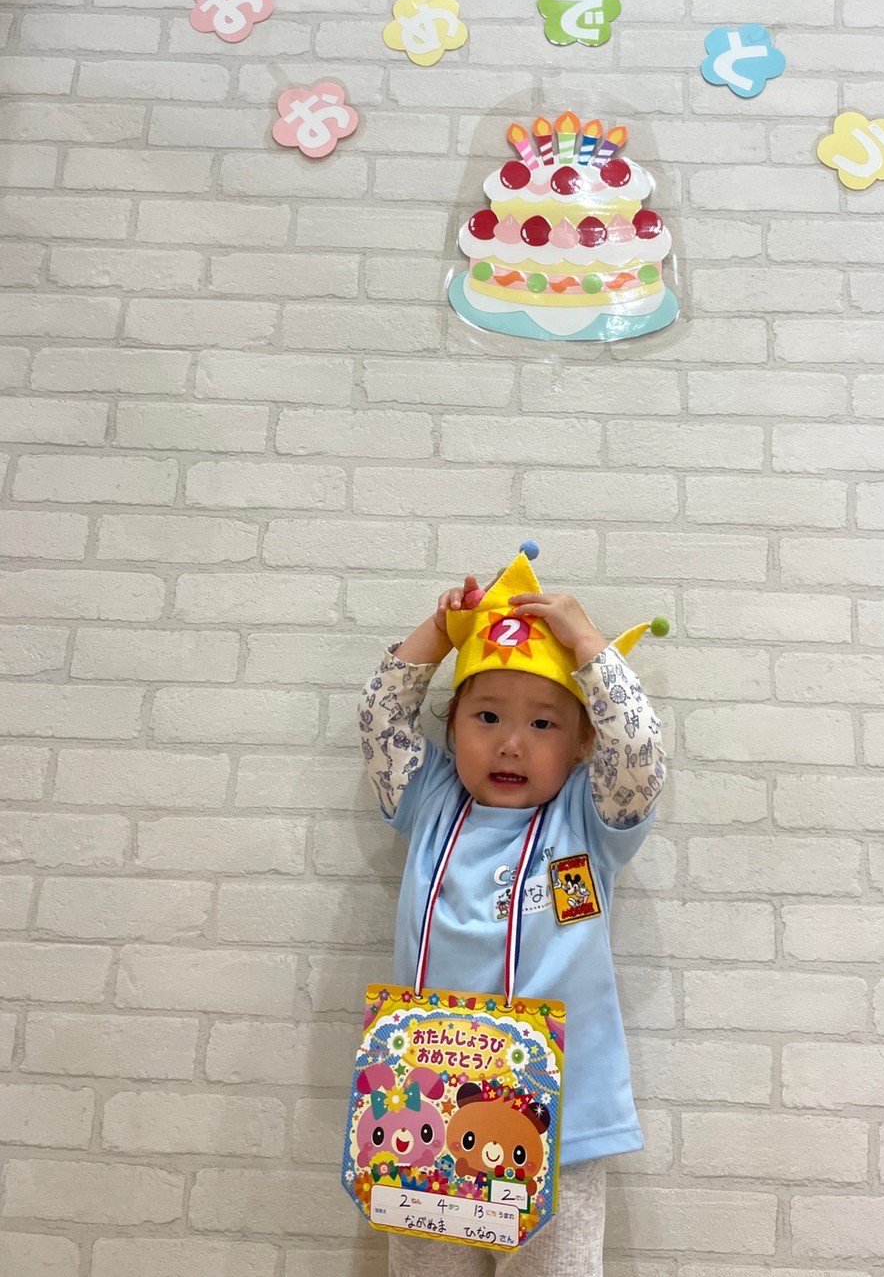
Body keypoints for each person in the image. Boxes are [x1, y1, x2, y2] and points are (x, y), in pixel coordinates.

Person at [358, 546, 667, 1277]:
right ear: (453, 727)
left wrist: (585, 642)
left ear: (584, 741)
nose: (510, 742)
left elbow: (639, 753)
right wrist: (442, 631)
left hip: (562, 1121)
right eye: (487, 716)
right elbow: (380, 718)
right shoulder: (432, 801)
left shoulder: (586, 820)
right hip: (422, 1110)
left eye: (544, 725)